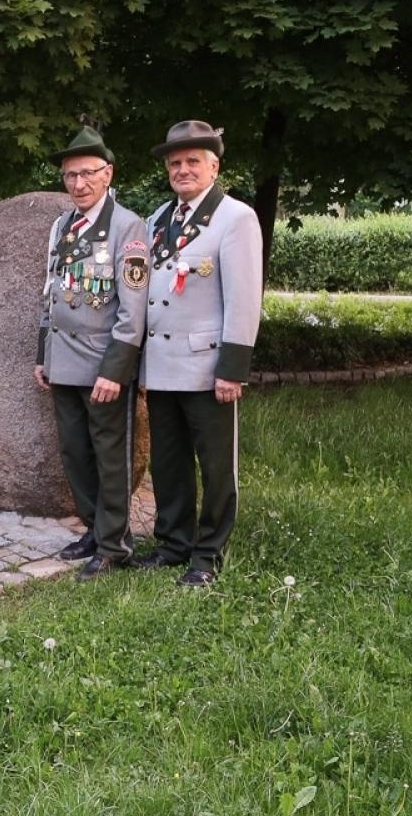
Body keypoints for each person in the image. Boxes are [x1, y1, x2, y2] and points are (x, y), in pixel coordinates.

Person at [133, 120, 263, 587]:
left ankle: (207, 554)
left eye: (192, 162)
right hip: (162, 366)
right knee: (168, 463)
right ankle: (173, 543)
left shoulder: (236, 218)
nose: (183, 170)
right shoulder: (156, 220)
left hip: (208, 368)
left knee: (215, 465)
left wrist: (232, 368)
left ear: (214, 166)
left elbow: (244, 299)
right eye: (175, 163)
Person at [34, 120, 150, 581]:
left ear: (108, 175)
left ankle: (115, 544)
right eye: (70, 176)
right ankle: (93, 529)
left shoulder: (128, 226)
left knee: (109, 455)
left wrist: (116, 370)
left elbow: (133, 308)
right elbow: (51, 293)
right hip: (63, 361)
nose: (78, 183)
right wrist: (44, 353)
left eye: (88, 173)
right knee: (74, 453)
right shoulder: (62, 226)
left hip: (103, 365)